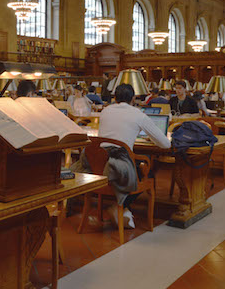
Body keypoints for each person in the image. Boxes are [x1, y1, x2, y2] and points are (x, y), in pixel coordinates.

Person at [72, 84, 170, 229]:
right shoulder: (138, 115)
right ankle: (121, 205)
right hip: (119, 167)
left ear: (115, 98)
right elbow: (165, 144)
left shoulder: (106, 111)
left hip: (99, 167)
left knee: (136, 165)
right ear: (133, 98)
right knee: (148, 173)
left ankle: (123, 209)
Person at [0, 80, 36, 161]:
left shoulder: (4, 107)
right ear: (30, 94)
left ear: (16, 93)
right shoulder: (25, 112)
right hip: (2, 162)